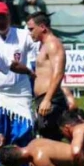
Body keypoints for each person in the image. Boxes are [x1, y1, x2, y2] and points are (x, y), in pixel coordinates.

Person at [0, 2, 37, 166]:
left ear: (9, 16)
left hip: (21, 92)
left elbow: (37, 56)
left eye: (3, 16)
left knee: (25, 131)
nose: (0, 21)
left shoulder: (23, 35)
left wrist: (32, 72)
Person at [22, 14, 68, 143]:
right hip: (43, 98)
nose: (30, 33)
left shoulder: (53, 44)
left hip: (50, 98)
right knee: (46, 137)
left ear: (42, 27)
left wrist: (47, 99)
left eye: (31, 29)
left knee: (51, 140)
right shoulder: (44, 45)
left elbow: (58, 73)